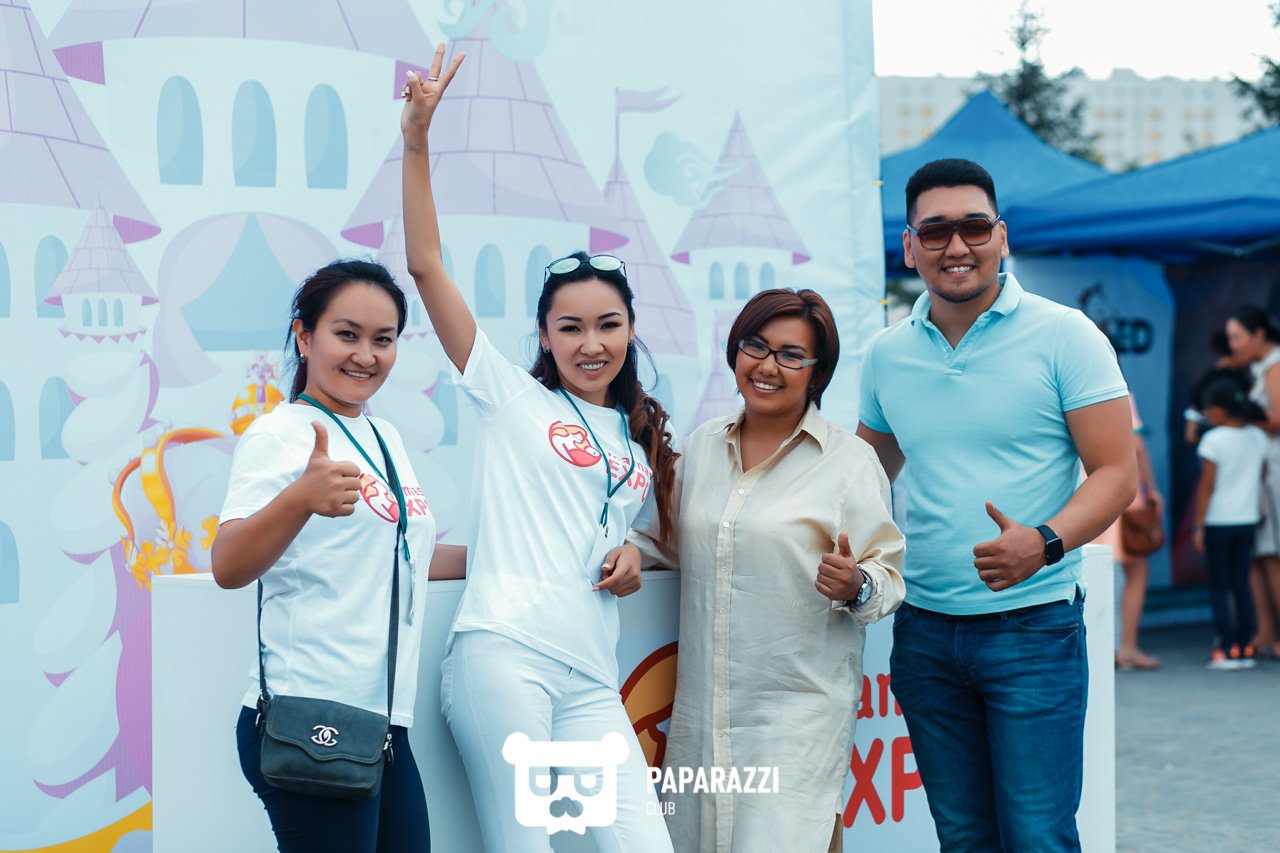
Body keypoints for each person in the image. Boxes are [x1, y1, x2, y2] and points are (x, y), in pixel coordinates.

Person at [400, 46, 676, 853]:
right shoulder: (510, 396)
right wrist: (416, 141)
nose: (592, 343)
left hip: (591, 677)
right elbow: (425, 266)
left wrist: (630, 552)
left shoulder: (635, 440)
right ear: (545, 336)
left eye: (608, 324)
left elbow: (602, 529)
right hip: (504, 656)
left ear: (631, 329)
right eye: (571, 327)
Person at [857, 158, 1137, 852]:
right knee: (963, 838)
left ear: (1001, 236)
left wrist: (1043, 541)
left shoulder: (1066, 334)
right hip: (924, 633)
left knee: (1038, 837)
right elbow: (863, 478)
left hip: (1034, 629)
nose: (957, 246)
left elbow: (1115, 473)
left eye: (974, 227)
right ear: (910, 246)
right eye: (936, 231)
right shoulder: (887, 354)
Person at [623, 289, 906, 853]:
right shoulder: (702, 447)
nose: (768, 366)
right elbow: (662, 538)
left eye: (790, 354)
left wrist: (856, 584)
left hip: (795, 724)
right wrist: (631, 550)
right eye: (755, 346)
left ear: (817, 372)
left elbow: (887, 577)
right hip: (702, 725)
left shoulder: (849, 463)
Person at [212, 259, 464, 852]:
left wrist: (505, 559)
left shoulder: (383, 436)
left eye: (383, 339)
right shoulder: (280, 433)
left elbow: (405, 555)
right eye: (346, 334)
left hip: (382, 723)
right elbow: (228, 565)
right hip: (311, 716)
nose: (365, 356)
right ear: (304, 336)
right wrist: (300, 498)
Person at [1192, 380, 1268, 669]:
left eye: (1210, 408)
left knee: (1219, 587)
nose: (1207, 414)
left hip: (1218, 521)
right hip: (1247, 521)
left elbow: (1207, 486)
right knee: (1241, 585)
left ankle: (1225, 648)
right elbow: (1261, 475)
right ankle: (1245, 647)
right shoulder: (1257, 436)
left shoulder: (1214, 440)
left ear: (1222, 410)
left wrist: (1198, 525)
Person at [1225, 305, 1280, 661]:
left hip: (1274, 473)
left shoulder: (1275, 366)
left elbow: (1277, 419)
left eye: (1236, 337)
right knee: (1259, 554)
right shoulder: (1260, 367)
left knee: (1272, 554)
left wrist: (1238, 415)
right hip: (1261, 474)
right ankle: (1265, 632)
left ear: (1258, 334)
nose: (1232, 345)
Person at [1096, 399, 1165, 670]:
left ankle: (1100, 648)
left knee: (1095, 573)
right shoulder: (1115, 390)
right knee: (1134, 571)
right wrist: (1153, 489)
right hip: (1122, 495)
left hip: (1085, 495)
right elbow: (1137, 446)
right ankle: (1126, 648)